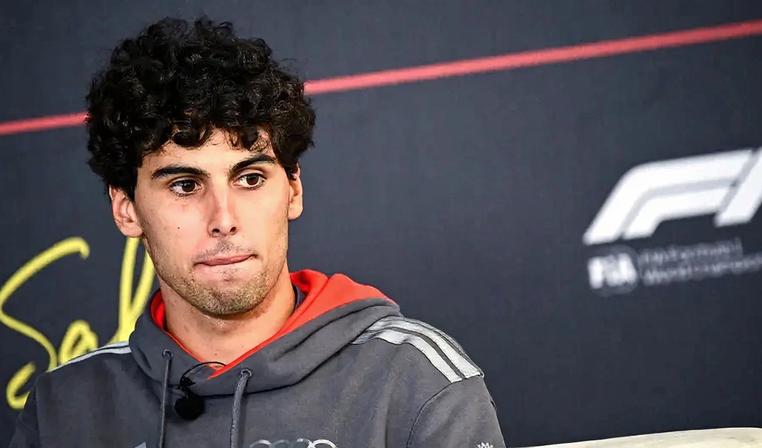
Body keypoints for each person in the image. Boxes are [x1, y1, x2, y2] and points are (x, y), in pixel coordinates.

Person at [9, 17, 505, 448]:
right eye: (185, 184)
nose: (223, 218)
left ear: (292, 190)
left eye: (250, 178)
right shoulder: (63, 410)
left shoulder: (415, 381)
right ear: (127, 210)